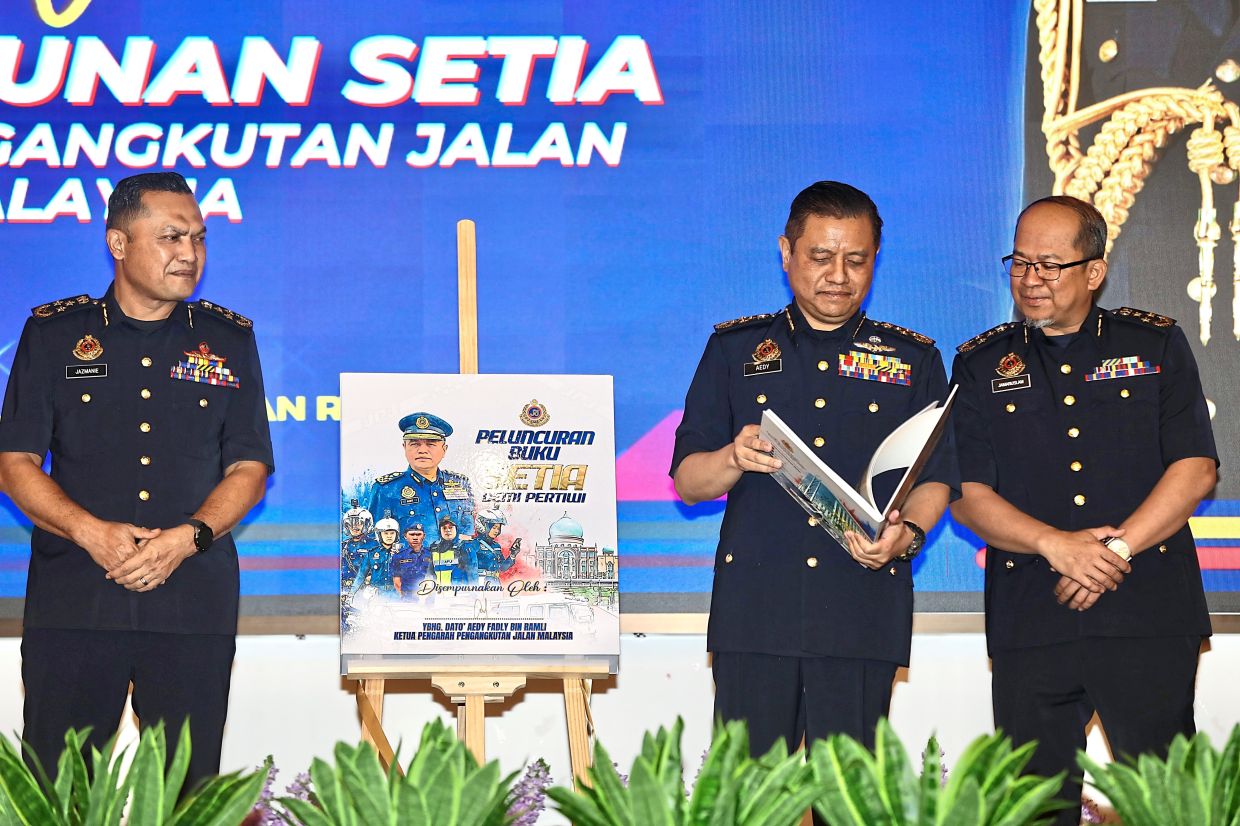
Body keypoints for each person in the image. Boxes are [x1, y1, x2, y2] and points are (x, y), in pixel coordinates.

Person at [0, 171, 274, 787]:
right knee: (56, 790)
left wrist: (188, 538)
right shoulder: (55, 334)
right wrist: (91, 533)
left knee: (188, 792)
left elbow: (249, 466)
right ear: (118, 244)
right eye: (171, 237)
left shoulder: (228, 339)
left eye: (199, 239)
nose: (189, 254)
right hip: (76, 597)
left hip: (191, 599)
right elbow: (14, 462)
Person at [950, 196, 1217, 824]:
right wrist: (1055, 545)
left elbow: (1195, 468)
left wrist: (1113, 550)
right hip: (1032, 619)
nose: (1030, 280)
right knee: (1034, 808)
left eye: (1050, 265)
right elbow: (967, 494)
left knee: (1163, 806)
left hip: (1146, 613)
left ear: (1093, 272)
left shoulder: (1154, 344)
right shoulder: (981, 364)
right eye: (1019, 264)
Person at [670, 181, 956, 756]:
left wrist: (908, 536)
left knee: (848, 801)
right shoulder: (735, 349)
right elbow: (687, 480)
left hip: (860, 607)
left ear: (875, 259)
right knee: (748, 801)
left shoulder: (912, 358)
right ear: (786, 252)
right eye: (820, 257)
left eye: (856, 260)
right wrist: (732, 458)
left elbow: (938, 477)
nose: (838, 276)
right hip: (757, 612)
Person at [368, 412, 475, 539]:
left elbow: (467, 535)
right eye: (414, 444)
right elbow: (374, 541)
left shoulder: (460, 484)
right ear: (404, 447)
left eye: (431, 444)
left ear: (444, 449)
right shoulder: (386, 489)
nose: (422, 450)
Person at [463, 508, 520, 586]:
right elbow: (470, 570)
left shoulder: (496, 546)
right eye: (494, 527)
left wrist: (513, 555)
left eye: (498, 528)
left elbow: (502, 567)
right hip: (480, 582)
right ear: (482, 525)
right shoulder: (473, 545)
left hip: (495, 582)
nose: (497, 531)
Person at [350, 512, 400, 596]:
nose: (389, 536)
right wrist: (351, 594)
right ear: (379, 535)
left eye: (392, 533)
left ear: (396, 534)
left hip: (396, 594)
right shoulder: (371, 554)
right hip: (376, 595)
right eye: (385, 533)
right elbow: (361, 576)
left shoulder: (402, 553)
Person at [389, 523, 434, 597]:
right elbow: (397, 582)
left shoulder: (432, 554)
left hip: (428, 598)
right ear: (405, 536)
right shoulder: (398, 556)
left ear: (424, 536)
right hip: (407, 599)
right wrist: (407, 597)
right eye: (412, 534)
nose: (415, 537)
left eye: (418, 534)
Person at [428, 515, 463, 585]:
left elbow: (471, 573)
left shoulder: (463, 547)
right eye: (444, 528)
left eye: (451, 527)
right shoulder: (433, 548)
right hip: (439, 592)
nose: (447, 530)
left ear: (457, 529)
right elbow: (430, 572)